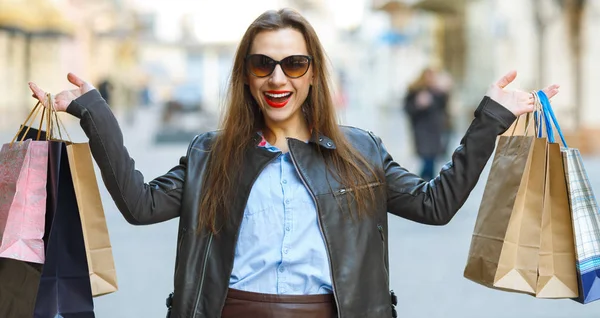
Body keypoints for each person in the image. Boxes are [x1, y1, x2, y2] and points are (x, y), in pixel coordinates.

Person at [28, 8, 559, 318]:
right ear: (246, 75)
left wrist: (490, 119)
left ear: (311, 73)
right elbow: (140, 207)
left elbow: (436, 205)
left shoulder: (361, 152)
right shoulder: (210, 154)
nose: (278, 78)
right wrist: (93, 112)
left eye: (293, 63)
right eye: (263, 64)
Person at [403, 68, 451, 180]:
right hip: (421, 131)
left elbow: (443, 106)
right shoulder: (414, 91)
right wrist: (418, 104)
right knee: (427, 160)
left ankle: (424, 185)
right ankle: (423, 185)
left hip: (435, 131)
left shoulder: (437, 92)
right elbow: (408, 109)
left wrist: (444, 90)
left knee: (431, 160)